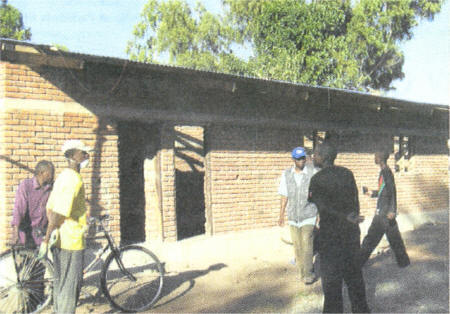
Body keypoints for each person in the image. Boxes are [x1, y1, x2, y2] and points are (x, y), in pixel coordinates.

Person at [308, 142, 370, 313]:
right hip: (350, 235)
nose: (313, 157)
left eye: (315, 154)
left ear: (323, 157)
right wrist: (349, 219)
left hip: (330, 239)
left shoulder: (316, 180)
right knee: (355, 281)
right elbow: (355, 203)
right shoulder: (347, 174)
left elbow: (322, 207)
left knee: (332, 286)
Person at [38, 139, 91, 314]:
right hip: (71, 241)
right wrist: (46, 239)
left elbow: (50, 208)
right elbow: (59, 213)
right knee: (70, 287)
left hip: (60, 239)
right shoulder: (73, 180)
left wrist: (52, 235)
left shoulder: (62, 176)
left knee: (60, 284)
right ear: (74, 155)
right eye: (83, 153)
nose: (86, 156)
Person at [360, 150, 410, 268]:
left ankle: (358, 263)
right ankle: (404, 261)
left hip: (384, 213)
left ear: (380, 158)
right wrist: (371, 193)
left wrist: (392, 210)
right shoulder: (384, 171)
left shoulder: (386, 172)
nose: (374, 157)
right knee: (395, 238)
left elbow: (392, 191)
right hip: (386, 212)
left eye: (376, 155)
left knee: (370, 239)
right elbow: (384, 191)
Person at [278, 147, 319, 284]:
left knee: (307, 242)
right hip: (293, 215)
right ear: (293, 160)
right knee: (298, 245)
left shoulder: (313, 172)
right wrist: (281, 214)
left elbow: (319, 195)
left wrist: (319, 213)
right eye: (299, 159)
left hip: (309, 213)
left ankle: (308, 274)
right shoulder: (287, 174)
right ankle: (302, 272)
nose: (302, 161)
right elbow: (284, 195)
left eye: (303, 158)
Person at [11, 160, 55, 247]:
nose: (53, 176)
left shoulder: (51, 188)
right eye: (50, 173)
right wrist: (15, 232)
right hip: (26, 235)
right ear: (41, 173)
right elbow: (19, 209)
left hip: (42, 235)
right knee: (26, 259)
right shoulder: (26, 186)